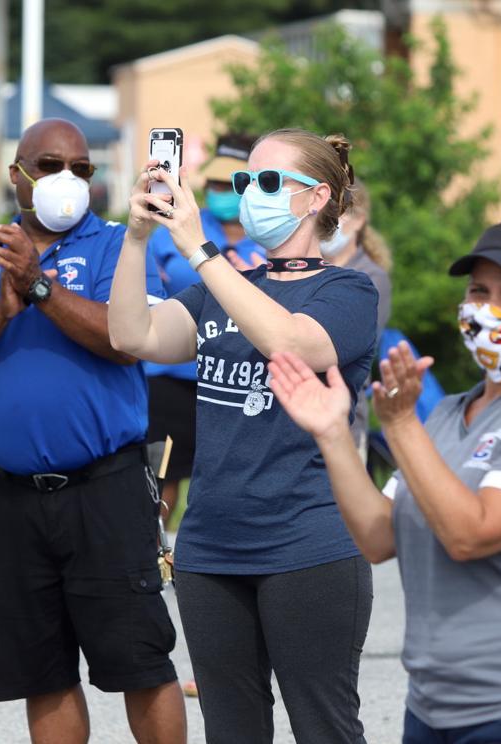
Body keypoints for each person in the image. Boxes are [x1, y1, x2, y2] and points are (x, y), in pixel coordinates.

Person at [269, 218, 501, 743]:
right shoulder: (450, 414)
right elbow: (379, 536)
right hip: (434, 708)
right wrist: (332, 432)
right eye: (479, 291)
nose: (490, 309)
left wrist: (401, 426)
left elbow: (470, 534)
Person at [0, 118, 186, 744]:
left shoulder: (119, 246)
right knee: (41, 669)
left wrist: (39, 286)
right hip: (13, 498)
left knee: (139, 659)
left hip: (106, 489)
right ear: (17, 176)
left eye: (81, 169)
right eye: (49, 165)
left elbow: (127, 340)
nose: (68, 178)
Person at [106, 128, 378, 743]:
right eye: (245, 180)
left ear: (318, 197)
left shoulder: (347, 291)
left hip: (306, 545)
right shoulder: (224, 287)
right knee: (231, 730)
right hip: (211, 547)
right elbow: (131, 335)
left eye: (269, 181)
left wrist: (199, 248)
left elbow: (288, 341)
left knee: (324, 728)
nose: (252, 192)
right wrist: (137, 236)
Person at [144, 133, 264, 528]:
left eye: (228, 184)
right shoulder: (180, 227)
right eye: (213, 182)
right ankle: (154, 552)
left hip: (238, 376)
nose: (218, 191)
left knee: (229, 481)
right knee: (161, 476)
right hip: (170, 377)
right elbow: (149, 294)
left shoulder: (268, 235)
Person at [318, 177, 393, 454]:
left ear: (359, 220)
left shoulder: (372, 278)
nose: (329, 219)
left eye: (339, 212)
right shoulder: (306, 266)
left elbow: (339, 345)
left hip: (344, 424)